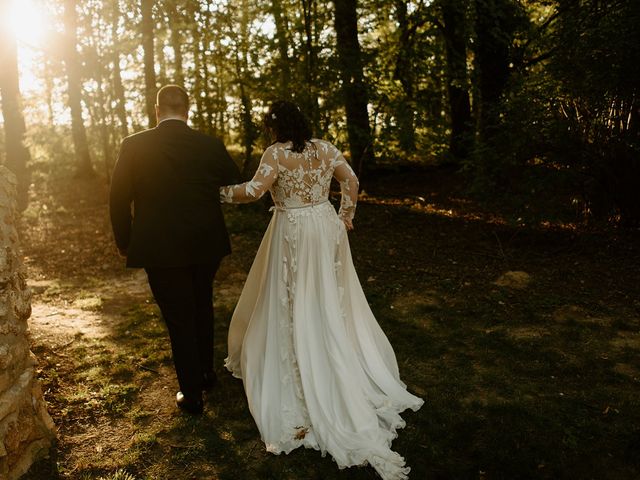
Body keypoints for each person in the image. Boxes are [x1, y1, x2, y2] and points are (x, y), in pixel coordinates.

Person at [220, 100, 424, 480]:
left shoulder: (275, 153)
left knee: (291, 293)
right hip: (324, 223)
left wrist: (218, 193)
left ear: (274, 126)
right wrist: (345, 215)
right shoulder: (326, 147)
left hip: (294, 229)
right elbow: (351, 181)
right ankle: (326, 335)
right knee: (328, 291)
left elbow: (253, 191)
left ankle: (301, 347)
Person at [109, 85, 241, 414]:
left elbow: (118, 198)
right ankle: (206, 373)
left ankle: (192, 394)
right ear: (188, 109)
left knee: (179, 317)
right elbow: (234, 180)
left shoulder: (134, 145)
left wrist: (125, 242)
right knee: (201, 304)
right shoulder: (209, 144)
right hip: (205, 241)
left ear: (157, 110)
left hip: (159, 245)